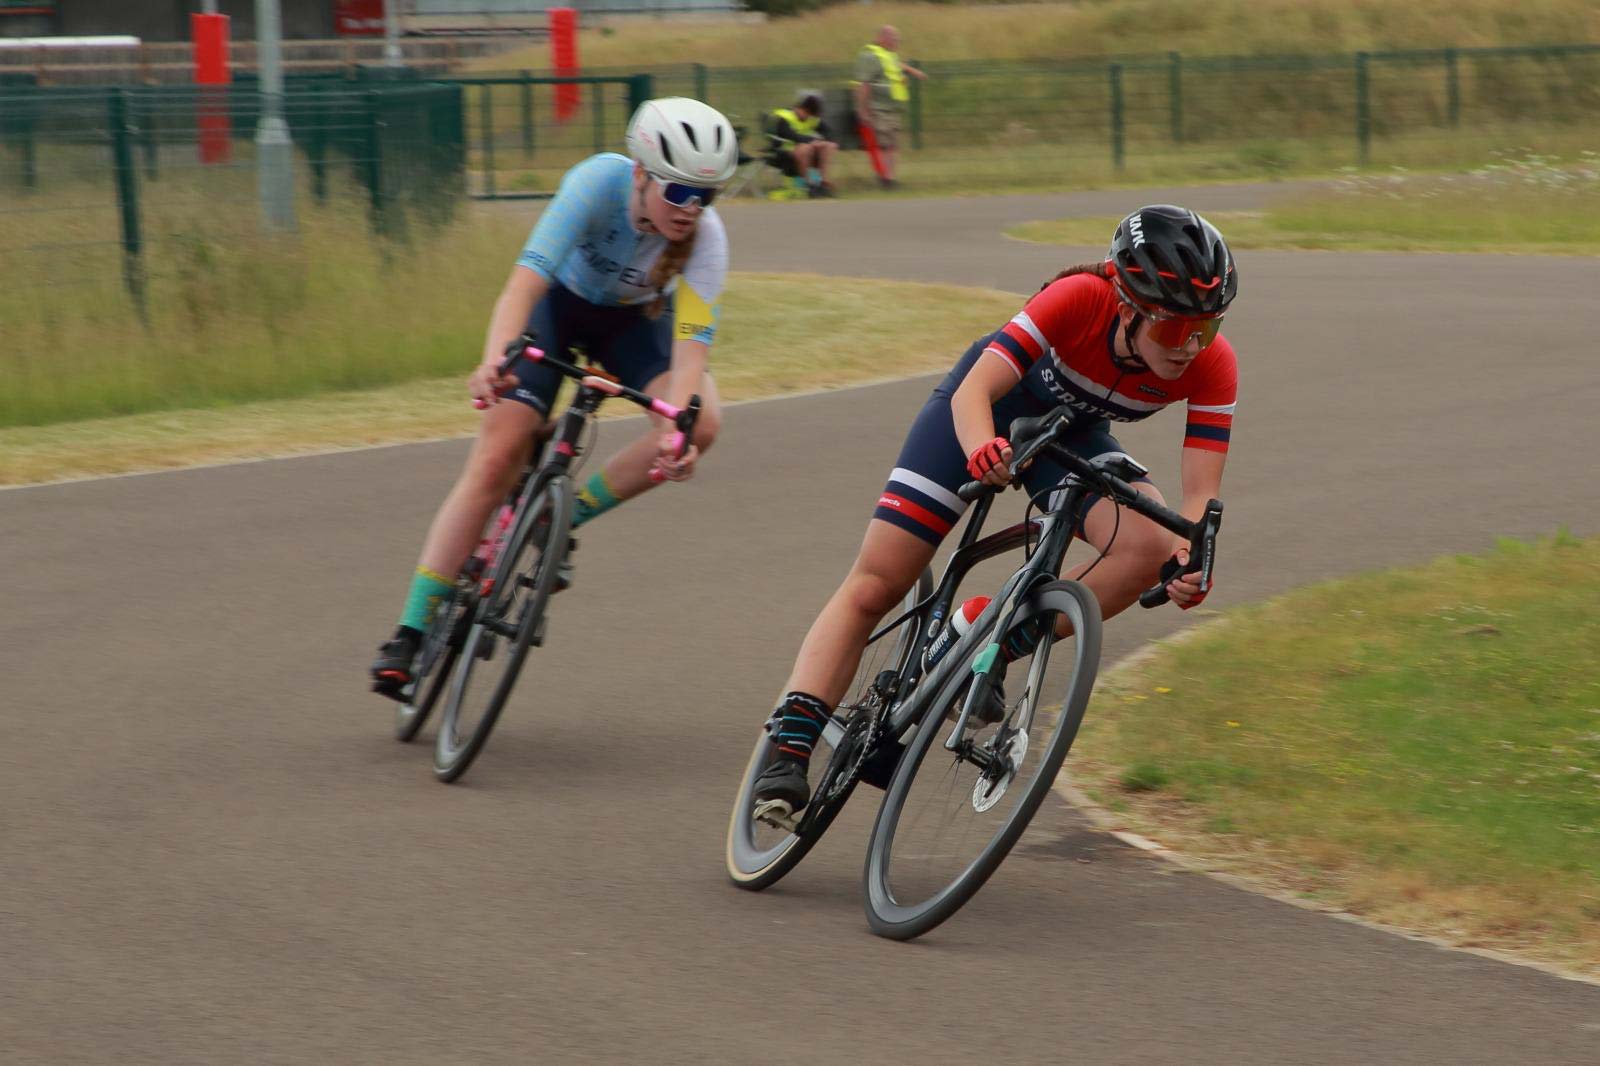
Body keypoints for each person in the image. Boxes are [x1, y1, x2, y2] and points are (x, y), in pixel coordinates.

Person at [751, 205, 1240, 816]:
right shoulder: (1077, 298)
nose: (1190, 348)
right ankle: (789, 742)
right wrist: (984, 445)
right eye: (1174, 331)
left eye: (1208, 329)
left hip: (1066, 437)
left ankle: (983, 636)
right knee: (879, 580)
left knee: (1146, 544)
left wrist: (1188, 559)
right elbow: (975, 391)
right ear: (1126, 305)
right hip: (981, 414)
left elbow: (1197, 502)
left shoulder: (1212, 367)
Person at [370, 97, 739, 696]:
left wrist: (678, 435)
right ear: (641, 173)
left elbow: (692, 353)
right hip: (556, 310)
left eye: (706, 195)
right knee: (497, 455)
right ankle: (409, 631)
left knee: (704, 423)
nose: (691, 209)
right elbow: (524, 285)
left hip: (633, 324)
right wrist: (495, 359)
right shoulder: (596, 183)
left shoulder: (707, 241)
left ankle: (560, 515)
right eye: (677, 192)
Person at [852, 24, 926, 189]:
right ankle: (884, 179)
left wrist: (913, 71)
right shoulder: (870, 55)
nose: (897, 41)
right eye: (894, 38)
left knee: (893, 145)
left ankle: (891, 178)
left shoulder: (889, 54)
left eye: (898, 38)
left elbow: (897, 65)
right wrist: (862, 110)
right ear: (882, 38)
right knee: (883, 145)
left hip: (892, 109)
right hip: (878, 108)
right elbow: (864, 84)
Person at [766, 91, 838, 199]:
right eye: (807, 113)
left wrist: (823, 141)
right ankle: (809, 185)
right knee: (805, 148)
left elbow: (828, 133)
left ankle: (823, 183)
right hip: (783, 152)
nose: (809, 118)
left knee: (829, 146)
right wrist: (813, 140)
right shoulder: (784, 117)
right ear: (800, 108)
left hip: (807, 149)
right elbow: (790, 135)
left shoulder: (812, 118)